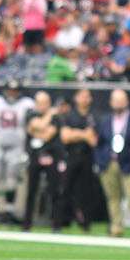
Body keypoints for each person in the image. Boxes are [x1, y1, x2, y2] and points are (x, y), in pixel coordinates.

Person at [95, 87, 130, 238]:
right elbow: (99, 143)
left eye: (121, 100)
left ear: (126, 102)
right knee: (112, 197)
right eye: (116, 100)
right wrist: (100, 161)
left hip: (129, 163)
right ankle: (116, 226)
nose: (119, 103)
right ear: (111, 102)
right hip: (109, 163)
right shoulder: (105, 121)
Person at [0, 81, 34, 221]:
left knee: (12, 177)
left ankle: (9, 210)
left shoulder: (26, 104)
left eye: (15, 90)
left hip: (16, 146)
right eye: (10, 90)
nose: (12, 93)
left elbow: (33, 119)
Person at [57, 87, 99, 231]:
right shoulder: (70, 115)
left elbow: (93, 140)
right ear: (76, 98)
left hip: (87, 157)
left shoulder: (93, 116)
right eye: (82, 96)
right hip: (70, 156)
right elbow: (65, 137)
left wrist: (74, 133)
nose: (84, 99)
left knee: (86, 191)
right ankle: (60, 221)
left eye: (87, 96)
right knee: (64, 189)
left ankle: (85, 223)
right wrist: (83, 134)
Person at [21, 91, 62, 231]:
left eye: (44, 103)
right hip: (34, 156)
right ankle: (27, 222)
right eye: (39, 103)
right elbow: (31, 128)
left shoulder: (56, 118)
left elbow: (47, 135)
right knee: (31, 190)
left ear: (49, 103)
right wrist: (47, 118)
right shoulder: (33, 115)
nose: (41, 106)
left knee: (54, 190)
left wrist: (37, 130)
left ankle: (56, 223)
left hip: (50, 155)